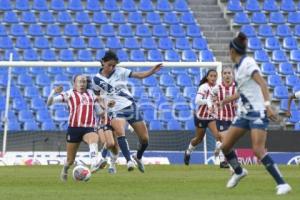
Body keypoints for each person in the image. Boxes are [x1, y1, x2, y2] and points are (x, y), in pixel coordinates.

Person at [220, 32, 291, 195]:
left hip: (258, 112)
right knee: (225, 146)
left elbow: (262, 83)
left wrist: (267, 106)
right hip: (244, 114)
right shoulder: (237, 68)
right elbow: (244, 91)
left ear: (232, 50)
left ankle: (282, 184)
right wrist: (226, 100)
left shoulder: (248, 63)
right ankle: (239, 172)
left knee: (257, 149)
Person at [92, 50, 163, 173]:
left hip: (130, 106)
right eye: (109, 65)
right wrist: (105, 107)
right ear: (103, 62)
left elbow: (138, 75)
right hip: (114, 109)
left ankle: (138, 157)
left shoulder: (120, 71)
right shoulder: (96, 80)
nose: (112, 67)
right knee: (120, 133)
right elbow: (98, 97)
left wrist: (152, 71)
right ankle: (128, 161)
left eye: (114, 65)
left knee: (145, 139)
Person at [47, 75, 107, 181]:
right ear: (75, 83)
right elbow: (49, 102)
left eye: (84, 81)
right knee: (70, 160)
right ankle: (65, 169)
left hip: (88, 127)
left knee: (93, 139)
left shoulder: (92, 95)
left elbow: (99, 112)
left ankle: (94, 164)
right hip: (74, 129)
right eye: (80, 81)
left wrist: (106, 106)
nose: (82, 83)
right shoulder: (69, 94)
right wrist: (53, 92)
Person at [184, 69, 223, 165]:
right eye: (211, 76)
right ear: (207, 77)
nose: (213, 78)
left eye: (215, 76)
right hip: (201, 117)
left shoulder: (218, 88)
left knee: (219, 137)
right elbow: (197, 101)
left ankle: (222, 160)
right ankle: (188, 151)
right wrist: (208, 100)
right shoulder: (203, 87)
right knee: (198, 139)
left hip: (212, 117)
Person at [211, 66, 237, 168]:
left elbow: (242, 99)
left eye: (229, 73)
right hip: (221, 118)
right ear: (222, 75)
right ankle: (232, 166)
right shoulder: (217, 88)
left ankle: (219, 149)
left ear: (232, 75)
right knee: (227, 141)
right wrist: (214, 104)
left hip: (233, 118)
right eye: (225, 73)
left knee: (227, 142)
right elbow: (210, 98)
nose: (227, 75)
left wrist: (238, 105)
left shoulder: (237, 88)